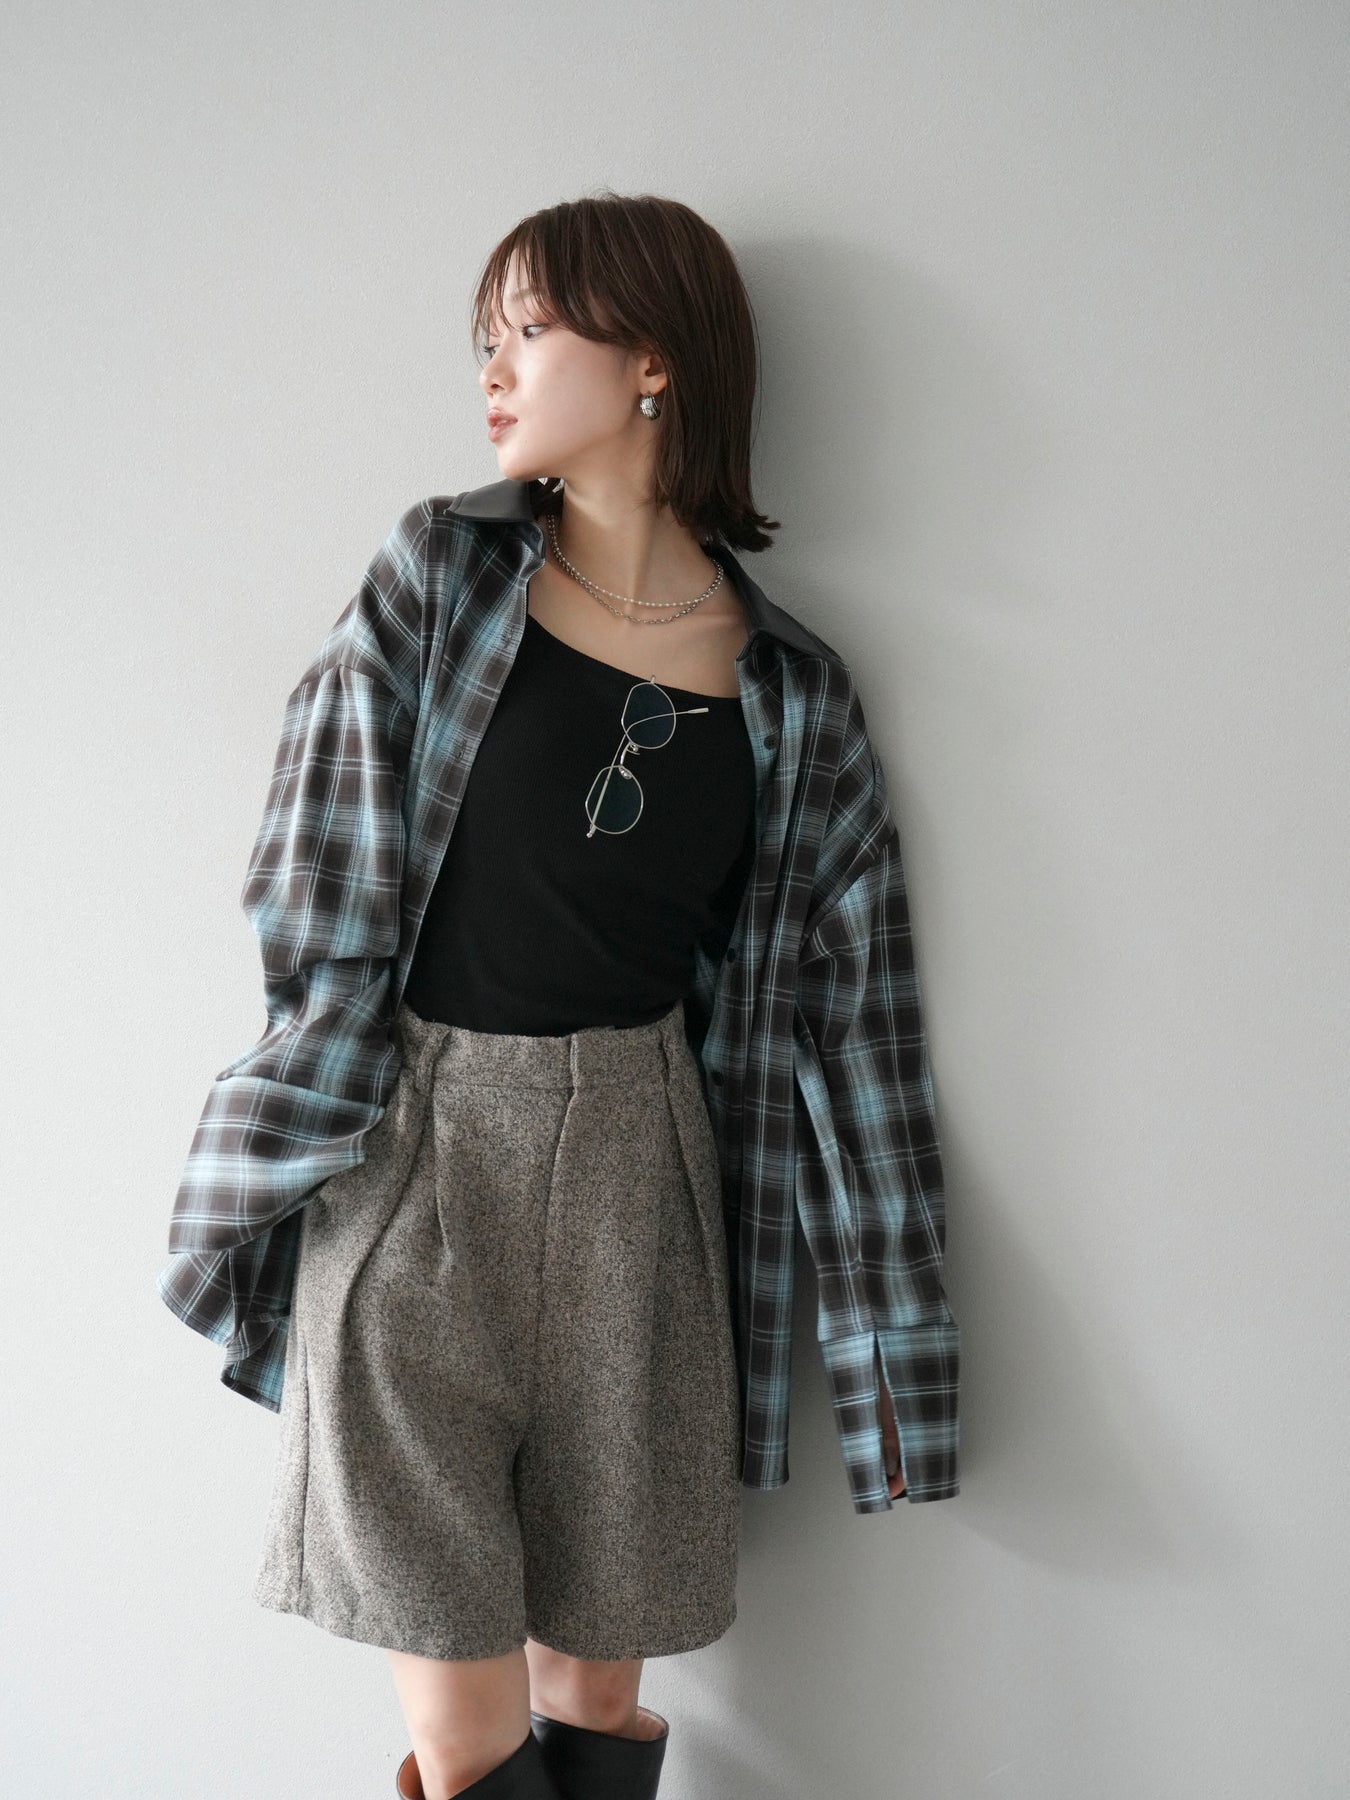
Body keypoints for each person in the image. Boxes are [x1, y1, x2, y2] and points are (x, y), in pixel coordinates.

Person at [156, 191, 962, 1800]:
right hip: (415, 1160)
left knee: (594, 1691)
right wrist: (307, 1121)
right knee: (464, 1731)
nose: (492, 371)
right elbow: (314, 878)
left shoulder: (791, 691)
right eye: (486, 338)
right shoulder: (440, 578)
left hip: (640, 1182)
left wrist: (891, 1373)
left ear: (652, 360)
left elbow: (851, 1036)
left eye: (527, 330)